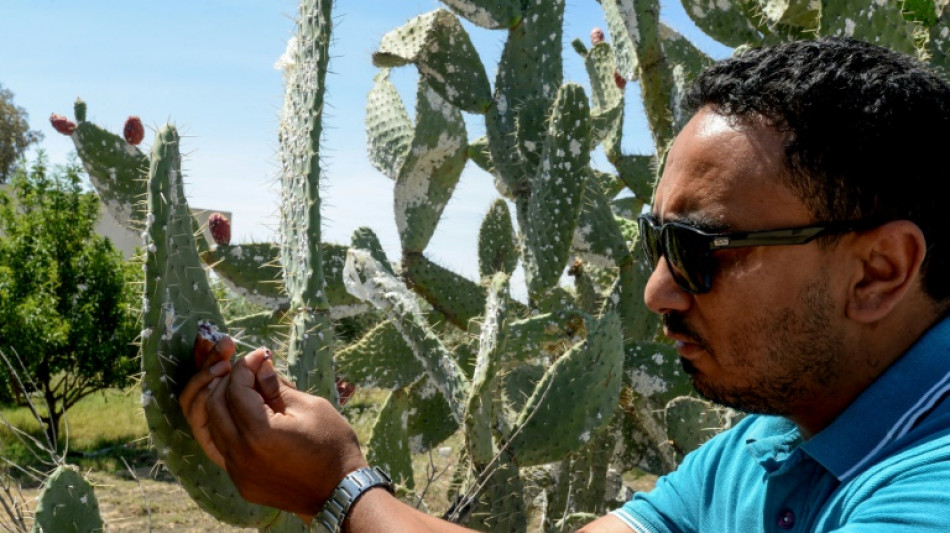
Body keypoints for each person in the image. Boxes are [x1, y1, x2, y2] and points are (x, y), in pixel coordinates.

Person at [180, 36, 950, 532]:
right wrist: (340, 481)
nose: (657, 291)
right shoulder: (773, 437)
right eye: (655, 241)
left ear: (879, 271)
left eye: (696, 248)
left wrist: (340, 489)